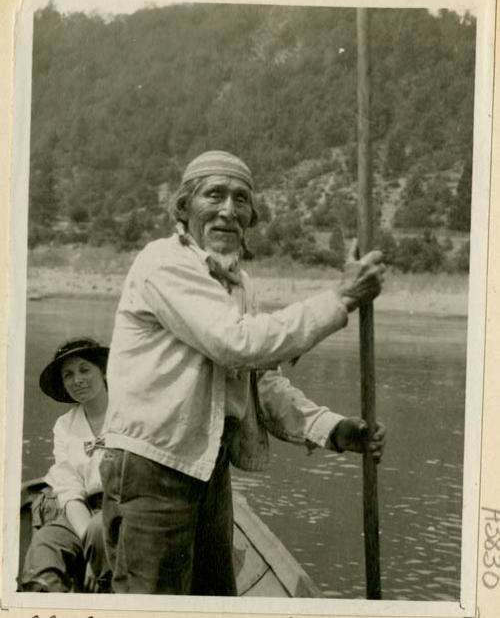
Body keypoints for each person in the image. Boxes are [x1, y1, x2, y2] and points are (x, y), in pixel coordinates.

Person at [100, 150, 386, 595]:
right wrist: (341, 299)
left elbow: (260, 381)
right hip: (151, 465)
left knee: (215, 600)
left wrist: (331, 428)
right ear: (184, 207)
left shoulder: (239, 285)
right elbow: (238, 342)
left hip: (207, 467)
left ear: (251, 216)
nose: (228, 210)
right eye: (214, 195)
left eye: (241, 200)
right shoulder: (163, 262)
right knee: (152, 602)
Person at [21, 338, 111, 593]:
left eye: (85, 369)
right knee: (45, 544)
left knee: (99, 529)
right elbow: (70, 491)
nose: (77, 380)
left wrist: (95, 541)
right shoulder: (64, 425)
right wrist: (90, 547)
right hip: (80, 511)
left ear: (102, 371)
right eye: (68, 375)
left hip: (124, 508)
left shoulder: (128, 413)